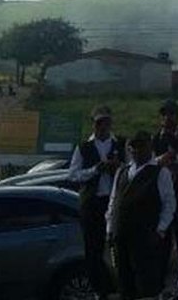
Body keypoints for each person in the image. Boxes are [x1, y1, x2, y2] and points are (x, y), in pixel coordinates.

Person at [106, 131, 176, 300]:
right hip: (121, 236)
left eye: (141, 146)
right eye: (133, 147)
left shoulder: (159, 173)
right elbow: (113, 201)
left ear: (149, 147)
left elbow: (169, 204)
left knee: (146, 286)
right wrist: (110, 229)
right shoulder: (122, 171)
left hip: (145, 238)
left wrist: (160, 230)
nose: (136, 150)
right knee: (125, 284)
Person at [68, 105, 125, 300]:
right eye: (99, 123)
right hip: (92, 203)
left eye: (106, 122)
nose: (102, 127)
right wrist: (95, 170)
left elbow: (131, 170)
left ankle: (120, 287)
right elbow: (73, 175)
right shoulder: (84, 147)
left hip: (114, 202)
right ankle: (100, 290)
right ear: (93, 124)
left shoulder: (120, 144)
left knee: (118, 247)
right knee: (93, 250)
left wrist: (117, 168)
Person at [152, 99, 178, 271]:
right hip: (163, 194)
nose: (167, 118)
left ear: (177, 115)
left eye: (170, 114)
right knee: (163, 240)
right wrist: (160, 160)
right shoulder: (155, 138)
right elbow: (149, 163)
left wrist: (175, 148)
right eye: (164, 115)